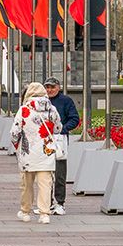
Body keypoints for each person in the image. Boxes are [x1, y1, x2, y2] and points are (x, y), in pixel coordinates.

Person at [11, 82, 64, 224]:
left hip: (27, 153)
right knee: (45, 185)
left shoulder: (24, 109)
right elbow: (58, 128)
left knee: (26, 185)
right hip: (46, 152)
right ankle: (44, 214)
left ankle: (25, 211)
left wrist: (17, 146)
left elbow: (15, 132)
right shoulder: (51, 109)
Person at [44, 77, 79, 215]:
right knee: (44, 174)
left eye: (52, 87)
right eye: (47, 87)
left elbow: (74, 119)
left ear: (58, 88)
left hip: (59, 141)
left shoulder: (66, 101)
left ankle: (59, 202)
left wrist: (62, 129)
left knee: (59, 173)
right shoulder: (41, 101)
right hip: (44, 140)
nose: (49, 90)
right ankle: (46, 203)